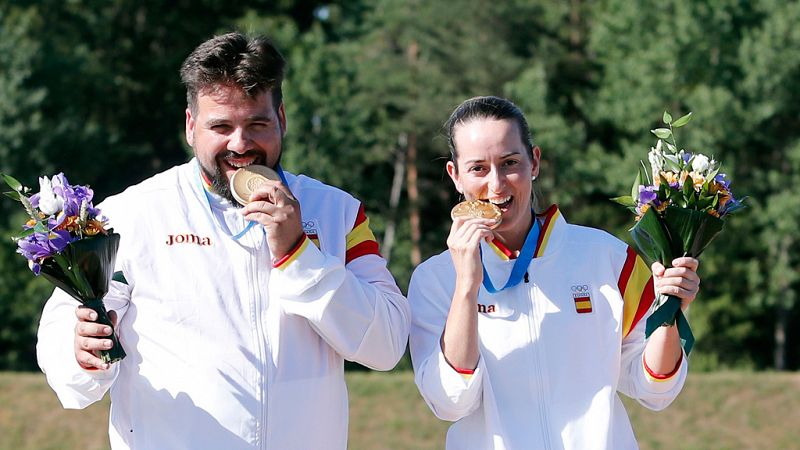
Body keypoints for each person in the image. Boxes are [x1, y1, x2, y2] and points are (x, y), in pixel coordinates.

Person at [36, 32, 410, 450]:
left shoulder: (337, 212)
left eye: (257, 124)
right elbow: (67, 358)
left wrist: (298, 255)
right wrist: (81, 355)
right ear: (190, 126)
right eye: (221, 126)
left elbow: (388, 346)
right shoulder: (130, 214)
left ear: (282, 119)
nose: (240, 144)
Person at [408, 96, 700, 449]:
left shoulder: (607, 258)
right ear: (455, 176)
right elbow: (450, 402)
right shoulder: (434, 279)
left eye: (510, 162)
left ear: (534, 162)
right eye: (478, 168)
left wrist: (670, 312)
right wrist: (467, 287)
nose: (497, 184)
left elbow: (656, 389)